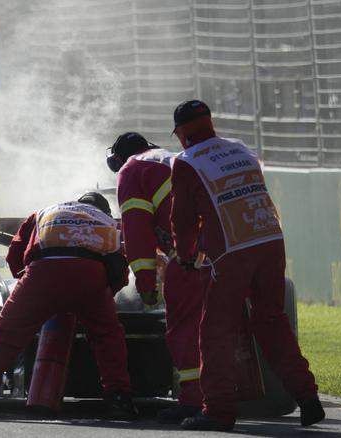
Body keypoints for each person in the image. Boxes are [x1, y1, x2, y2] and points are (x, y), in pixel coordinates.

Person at [169, 99, 324, 431]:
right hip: (270, 239)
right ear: (210, 122)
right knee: (271, 321)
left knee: (216, 330)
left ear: (181, 133)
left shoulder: (186, 161)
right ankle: (307, 397)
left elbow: (182, 217)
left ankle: (219, 411)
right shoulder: (241, 148)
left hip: (231, 249)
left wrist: (184, 254)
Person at [0, 193, 137, 421]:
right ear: (103, 210)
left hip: (42, 272)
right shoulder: (109, 222)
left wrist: (27, 284)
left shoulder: (46, 211)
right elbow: (120, 268)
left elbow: (15, 254)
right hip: (89, 275)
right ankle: (120, 401)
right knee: (108, 336)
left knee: (4, 335)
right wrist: (108, 294)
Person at [106, 132, 205, 423]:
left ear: (117, 160)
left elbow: (137, 233)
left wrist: (146, 284)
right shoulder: (176, 159)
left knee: (184, 330)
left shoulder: (132, 169)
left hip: (188, 258)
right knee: (213, 329)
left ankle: (192, 401)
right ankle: (222, 396)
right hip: (221, 252)